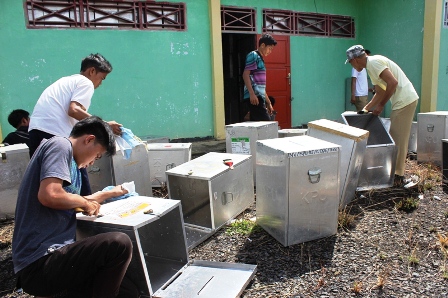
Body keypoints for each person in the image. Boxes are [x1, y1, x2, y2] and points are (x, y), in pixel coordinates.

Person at [12, 116, 138, 297]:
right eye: (97, 155)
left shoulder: (72, 166)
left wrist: (108, 194)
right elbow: (50, 194)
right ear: (89, 139)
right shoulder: (60, 145)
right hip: (40, 261)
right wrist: (85, 202)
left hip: (54, 260)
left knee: (129, 291)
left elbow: (70, 199)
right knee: (118, 243)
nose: (93, 162)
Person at [28, 53, 122, 195]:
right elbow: (74, 109)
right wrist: (104, 125)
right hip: (54, 136)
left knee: (44, 184)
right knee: (79, 181)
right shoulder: (86, 83)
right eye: (101, 78)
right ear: (92, 71)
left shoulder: (66, 81)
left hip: (38, 133)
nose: (100, 84)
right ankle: (84, 211)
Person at [345, 45, 419, 187]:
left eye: (350, 63)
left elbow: (393, 83)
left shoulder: (374, 62)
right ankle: (395, 173)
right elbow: (379, 92)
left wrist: (380, 106)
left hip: (405, 101)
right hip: (401, 102)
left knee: (398, 138)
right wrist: (366, 109)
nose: (352, 66)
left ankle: (398, 176)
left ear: (355, 60)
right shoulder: (371, 66)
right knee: (395, 136)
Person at [242, 34, 277, 121]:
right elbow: (245, 74)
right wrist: (252, 94)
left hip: (259, 97)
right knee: (266, 124)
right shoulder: (253, 55)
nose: (270, 51)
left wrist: (268, 102)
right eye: (270, 48)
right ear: (262, 45)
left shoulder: (261, 59)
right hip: (255, 97)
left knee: (257, 125)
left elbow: (260, 86)